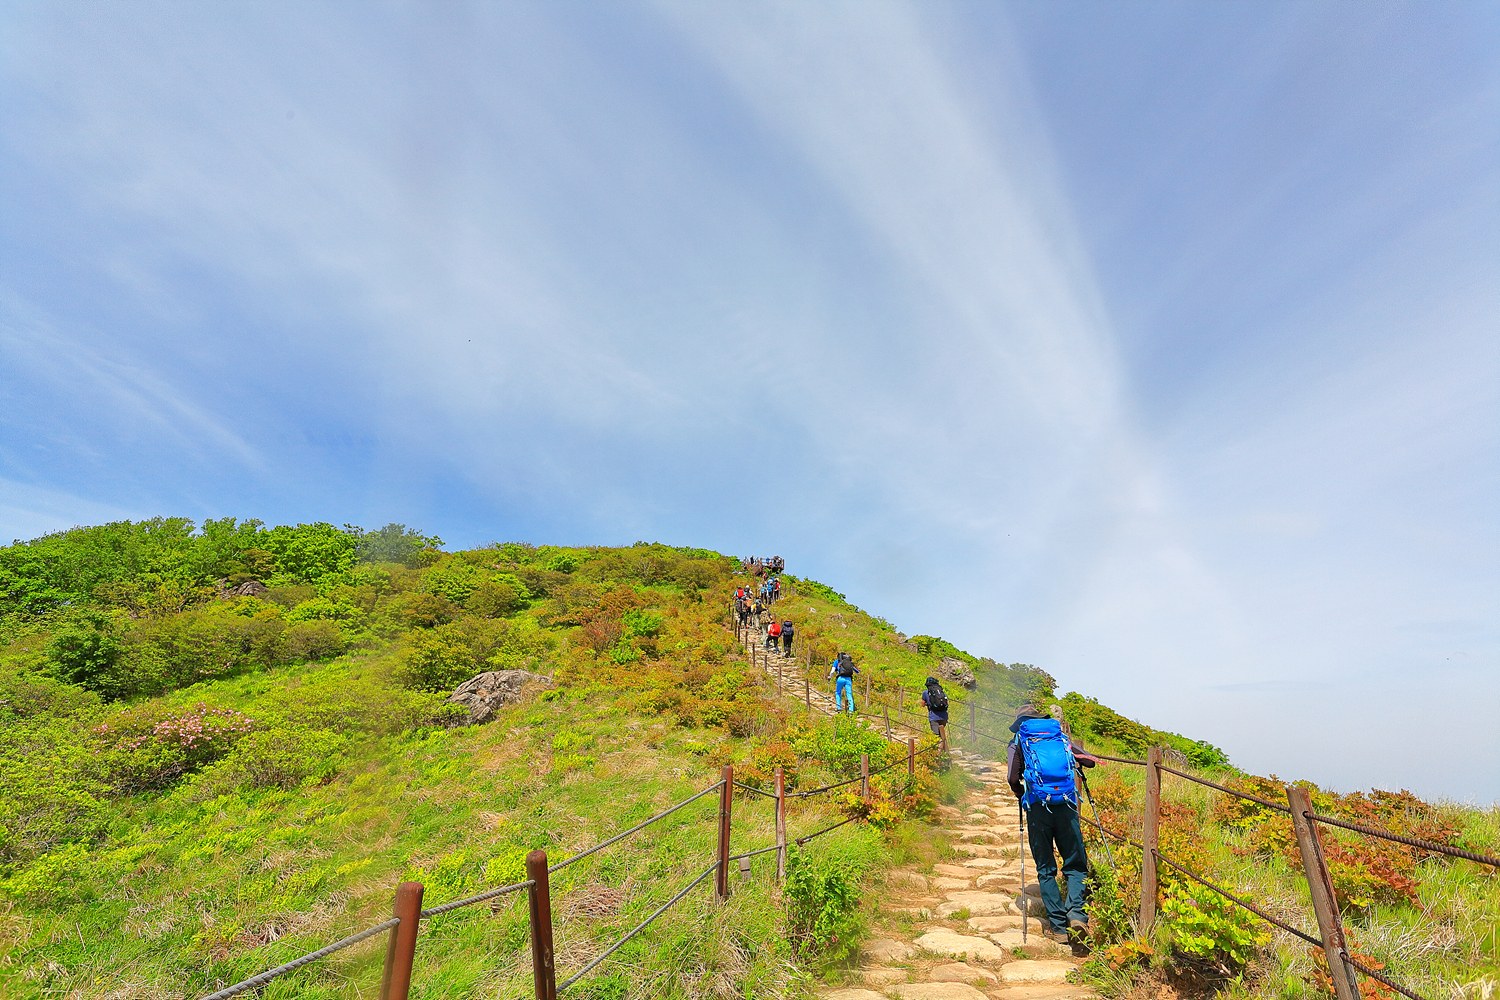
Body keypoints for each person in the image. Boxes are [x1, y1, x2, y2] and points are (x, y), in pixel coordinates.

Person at [1007, 706, 1098, 946]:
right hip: (1066, 806)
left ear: (1019, 722)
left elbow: (1012, 777)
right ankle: (1077, 915)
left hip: (1039, 808)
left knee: (1046, 868)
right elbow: (1089, 762)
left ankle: (1058, 928)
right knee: (1076, 864)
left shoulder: (1018, 740)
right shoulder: (1059, 736)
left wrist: (1020, 793)